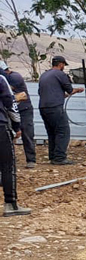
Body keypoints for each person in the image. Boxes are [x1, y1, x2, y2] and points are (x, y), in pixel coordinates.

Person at [38, 56, 83, 166]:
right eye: (63, 65)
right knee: (63, 131)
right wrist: (76, 90)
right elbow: (70, 89)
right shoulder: (60, 74)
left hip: (43, 107)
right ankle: (59, 157)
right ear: (61, 64)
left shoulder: (44, 75)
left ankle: (53, 156)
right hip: (55, 107)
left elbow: (46, 93)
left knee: (52, 132)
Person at [1, 72, 30, 215]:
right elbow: (10, 102)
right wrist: (17, 126)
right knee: (8, 165)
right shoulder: (1, 80)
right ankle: (10, 204)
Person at [2, 63, 36, 168]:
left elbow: (7, 90)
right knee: (8, 135)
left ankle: (31, 160)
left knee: (27, 134)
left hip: (23, 109)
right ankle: (10, 159)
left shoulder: (14, 77)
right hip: (10, 110)